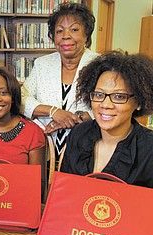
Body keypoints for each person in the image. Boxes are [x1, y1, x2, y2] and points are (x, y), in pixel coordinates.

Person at [61, 51, 153, 188]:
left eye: (119, 97)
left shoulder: (149, 148)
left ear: (139, 102)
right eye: (99, 94)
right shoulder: (79, 133)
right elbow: (64, 190)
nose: (105, 104)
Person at [21, 2, 99, 159]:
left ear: (86, 34)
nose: (66, 36)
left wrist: (74, 118)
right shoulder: (42, 64)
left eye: (74, 29)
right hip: (44, 148)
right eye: (59, 31)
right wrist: (53, 112)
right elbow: (21, 98)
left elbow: (110, 107)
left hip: (86, 151)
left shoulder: (100, 65)